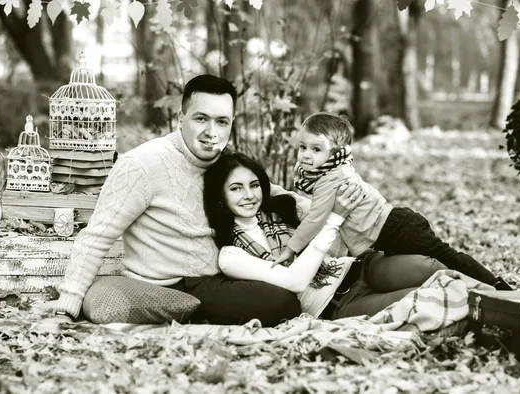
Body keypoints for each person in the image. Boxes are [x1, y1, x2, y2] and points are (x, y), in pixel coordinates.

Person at [46, 74, 354, 327]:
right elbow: (97, 236)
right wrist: (66, 307)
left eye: (222, 122)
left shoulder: (223, 161)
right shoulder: (141, 165)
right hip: (173, 284)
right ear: (181, 118)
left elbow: (273, 193)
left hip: (227, 275)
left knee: (307, 284)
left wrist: (339, 210)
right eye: (201, 119)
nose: (211, 133)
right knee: (281, 302)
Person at [204, 151, 464, 319]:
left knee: (431, 268)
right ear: (220, 198)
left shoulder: (282, 212)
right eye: (236, 189)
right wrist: (335, 218)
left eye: (254, 185)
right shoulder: (231, 255)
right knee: (426, 299)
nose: (249, 195)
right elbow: (294, 282)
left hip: (360, 269)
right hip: (335, 303)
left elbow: (328, 198)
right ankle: (489, 310)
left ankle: (493, 296)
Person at [273, 112, 512, 290]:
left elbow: (316, 219)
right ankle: (487, 286)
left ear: (335, 153)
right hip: (393, 228)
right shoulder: (336, 168)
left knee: (446, 257)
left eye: (316, 149)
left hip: (396, 229)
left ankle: (496, 286)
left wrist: (291, 249)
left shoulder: (329, 179)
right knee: (438, 260)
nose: (306, 154)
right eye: (302, 147)